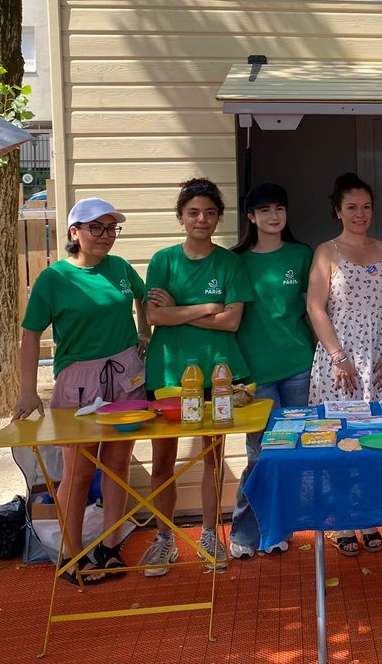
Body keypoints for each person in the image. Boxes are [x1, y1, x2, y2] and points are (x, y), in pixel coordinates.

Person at [14, 198, 148, 584]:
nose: (106, 236)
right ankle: (71, 555)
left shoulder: (120, 268)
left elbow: (143, 298)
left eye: (111, 229)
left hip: (127, 377)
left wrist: (144, 332)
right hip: (79, 383)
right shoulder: (54, 279)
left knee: (118, 464)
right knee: (77, 471)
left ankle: (108, 546)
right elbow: (30, 334)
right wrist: (27, 390)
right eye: (97, 228)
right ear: (75, 232)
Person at [140, 178, 252, 576]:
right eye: (193, 213)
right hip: (168, 371)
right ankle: (164, 539)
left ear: (218, 217)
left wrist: (180, 311)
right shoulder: (163, 261)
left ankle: (209, 535)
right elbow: (154, 317)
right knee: (162, 460)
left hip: (216, 373)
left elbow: (232, 321)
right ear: (180, 217)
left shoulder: (229, 263)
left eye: (209, 212)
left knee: (213, 457)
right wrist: (206, 305)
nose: (201, 219)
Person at [307, 173, 382, 556]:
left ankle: (366, 515)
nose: (360, 214)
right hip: (341, 357)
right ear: (338, 211)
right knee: (340, 434)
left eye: (366, 207)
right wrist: (337, 356)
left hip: (380, 355)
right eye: (352, 207)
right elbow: (315, 307)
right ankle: (339, 518)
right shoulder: (326, 251)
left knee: (375, 435)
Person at [229, 182, 314, 559]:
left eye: (280, 208)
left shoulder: (302, 255)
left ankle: (281, 529)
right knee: (259, 455)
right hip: (255, 373)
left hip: (299, 365)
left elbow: (319, 308)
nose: (273, 216)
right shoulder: (235, 260)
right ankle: (247, 533)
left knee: (294, 450)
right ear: (251, 217)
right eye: (264, 210)